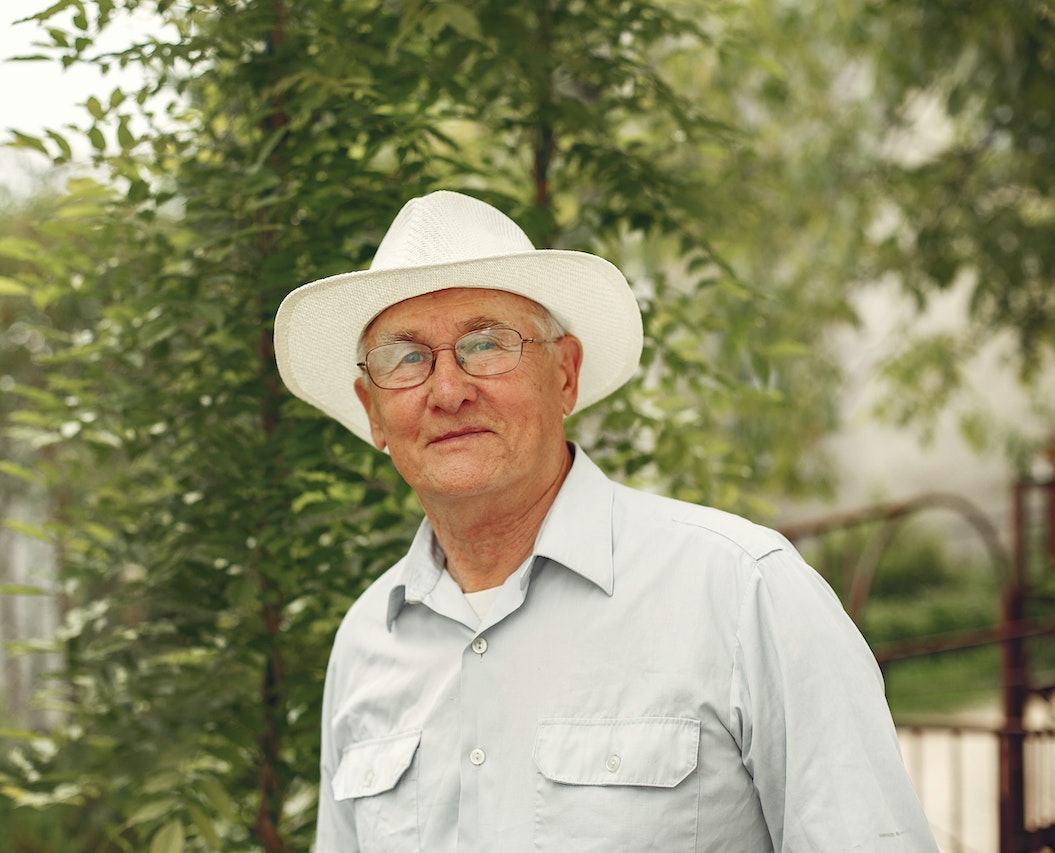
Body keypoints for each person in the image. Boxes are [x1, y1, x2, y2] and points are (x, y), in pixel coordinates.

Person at [274, 190, 938, 852]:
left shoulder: (743, 593)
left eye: (486, 343)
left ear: (564, 374)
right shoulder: (366, 643)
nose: (448, 390)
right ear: (372, 410)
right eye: (407, 357)